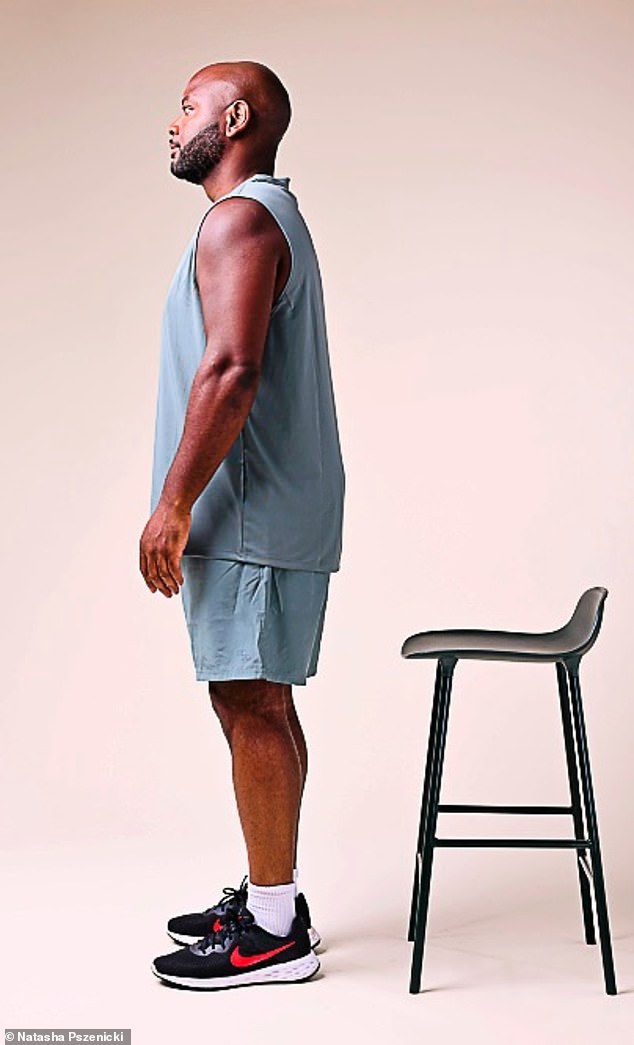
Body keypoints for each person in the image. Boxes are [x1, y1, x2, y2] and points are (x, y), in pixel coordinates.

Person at [139, 60, 345, 991]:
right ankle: (275, 902)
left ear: (234, 118)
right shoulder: (263, 216)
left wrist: (174, 502)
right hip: (267, 506)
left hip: (250, 510)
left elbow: (231, 368)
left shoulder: (241, 220)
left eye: (188, 107)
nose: (173, 123)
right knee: (258, 699)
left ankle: (270, 934)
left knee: (251, 701)